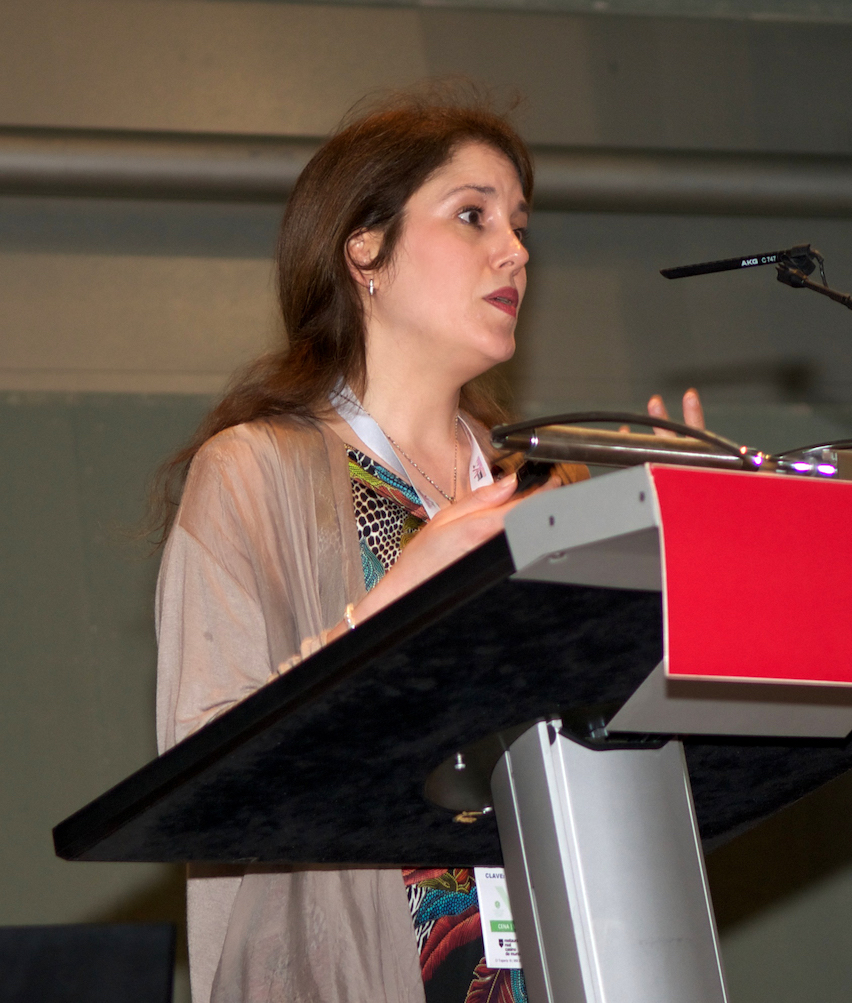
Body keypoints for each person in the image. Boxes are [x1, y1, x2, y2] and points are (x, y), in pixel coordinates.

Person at [150, 88, 704, 1003]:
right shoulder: (254, 472)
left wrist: (698, 561)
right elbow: (200, 772)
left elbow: (625, 736)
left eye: (521, 225)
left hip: (566, 959)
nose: (517, 250)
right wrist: (380, 606)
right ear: (365, 249)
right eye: (473, 215)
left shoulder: (549, 490)